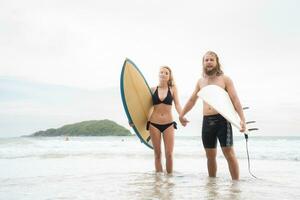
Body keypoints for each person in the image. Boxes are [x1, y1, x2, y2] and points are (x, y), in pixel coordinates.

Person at [179, 51, 246, 180]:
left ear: (217, 62)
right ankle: (212, 186)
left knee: (229, 154)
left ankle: (235, 187)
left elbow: (235, 100)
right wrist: (182, 115)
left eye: (211, 60)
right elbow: (192, 100)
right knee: (210, 156)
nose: (209, 62)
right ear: (203, 63)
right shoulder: (200, 82)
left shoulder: (225, 79)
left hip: (222, 120)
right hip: (207, 121)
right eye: (206, 60)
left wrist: (242, 119)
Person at [147, 66, 182, 174]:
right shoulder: (152, 89)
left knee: (169, 154)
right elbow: (145, 107)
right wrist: (133, 120)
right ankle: (158, 181)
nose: (163, 74)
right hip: (154, 124)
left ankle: (169, 181)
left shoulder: (173, 89)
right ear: (158, 74)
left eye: (166, 73)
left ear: (169, 76)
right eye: (161, 72)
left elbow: (177, 105)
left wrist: (182, 116)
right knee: (157, 154)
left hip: (168, 124)